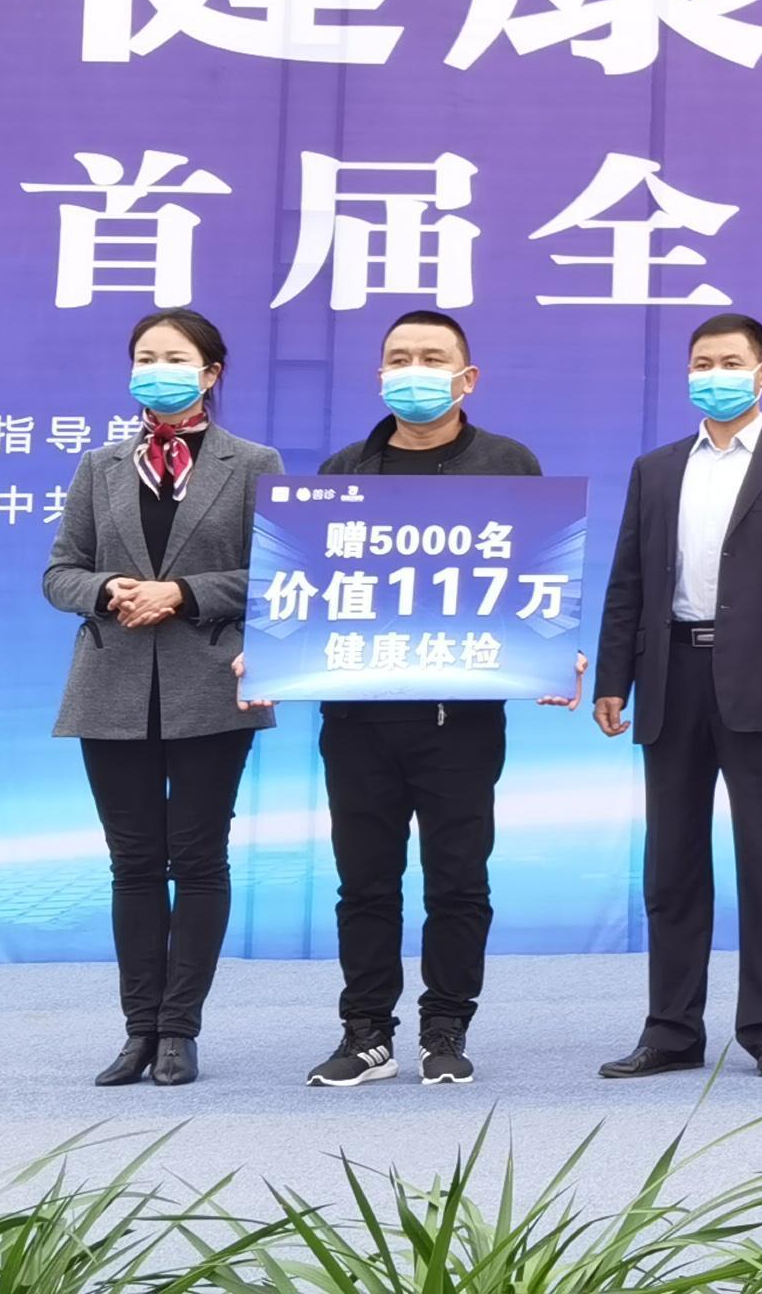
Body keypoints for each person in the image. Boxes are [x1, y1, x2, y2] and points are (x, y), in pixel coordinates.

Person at [590, 313, 762, 1081]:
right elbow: (628, 580)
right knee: (670, 866)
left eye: (730, 362)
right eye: (702, 362)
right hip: (671, 676)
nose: (715, 374)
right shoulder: (658, 468)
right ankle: (671, 1030)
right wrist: (613, 677)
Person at [303, 310, 550, 1089]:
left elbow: (535, 577)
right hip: (358, 719)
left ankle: (446, 1026)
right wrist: (270, 649)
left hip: (460, 722)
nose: (415, 370)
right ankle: (366, 1032)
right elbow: (309, 590)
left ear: (466, 378)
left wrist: (549, 646)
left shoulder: (509, 466)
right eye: (399, 358)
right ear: (380, 375)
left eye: (432, 358)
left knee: (458, 881)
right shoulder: (343, 472)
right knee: (364, 884)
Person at [45, 308, 279, 1088]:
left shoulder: (253, 464)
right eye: (145, 356)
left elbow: (280, 574)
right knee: (135, 863)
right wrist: (108, 588)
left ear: (211, 373)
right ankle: (137, 1030)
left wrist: (181, 592)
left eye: (175, 358)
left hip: (212, 684)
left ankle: (180, 1030)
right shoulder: (101, 466)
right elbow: (59, 572)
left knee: (199, 858)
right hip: (110, 686)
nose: (157, 370)